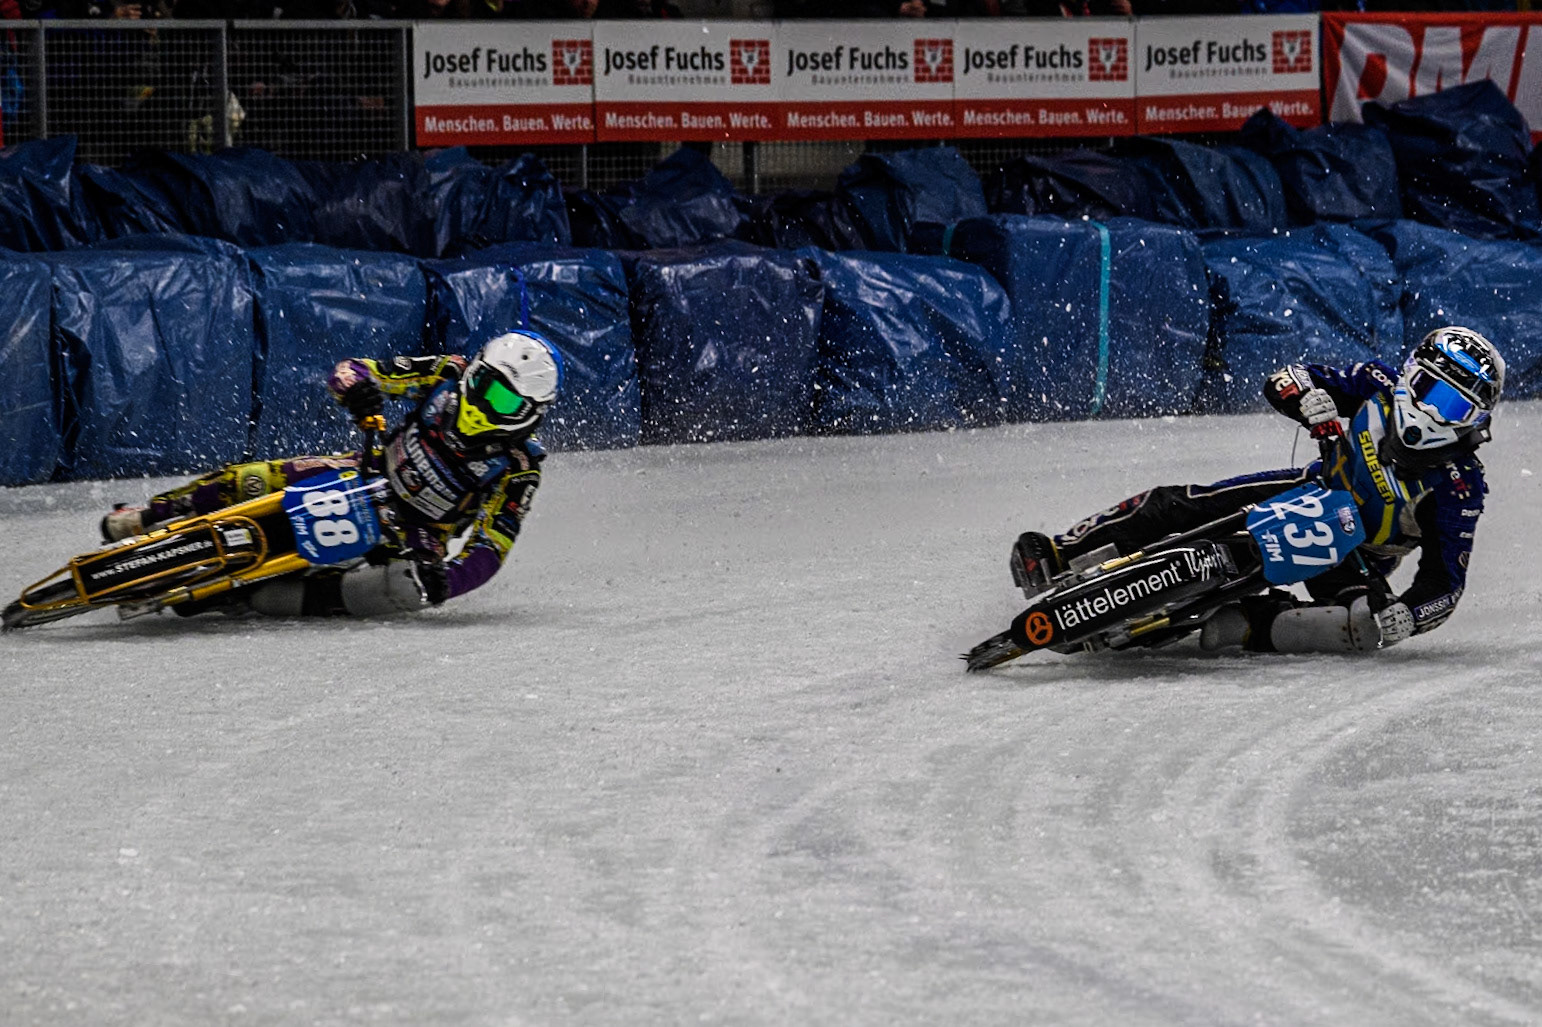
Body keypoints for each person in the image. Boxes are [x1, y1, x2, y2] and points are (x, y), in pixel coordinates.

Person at [1009, 326, 1505, 654]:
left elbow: (1445, 582)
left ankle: (1247, 623)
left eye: (1454, 408)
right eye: (1427, 390)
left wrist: (1409, 617)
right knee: (1181, 502)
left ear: (1476, 422)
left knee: (1358, 623)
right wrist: (1306, 399)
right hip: (1308, 488)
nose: (1433, 413)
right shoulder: (1374, 382)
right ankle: (1060, 550)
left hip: (1357, 555)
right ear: (1409, 376)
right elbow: (1286, 377)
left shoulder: (1460, 486)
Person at [100, 330, 563, 618]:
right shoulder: (447, 372)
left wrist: (448, 579)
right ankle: (151, 514)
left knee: (397, 591)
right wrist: (358, 391)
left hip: (417, 532)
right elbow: (353, 369)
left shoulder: (519, 468)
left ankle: (254, 598)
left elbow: (491, 549)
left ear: (529, 414)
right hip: (366, 470)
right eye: (482, 385)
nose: (482, 403)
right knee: (254, 477)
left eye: (502, 401)